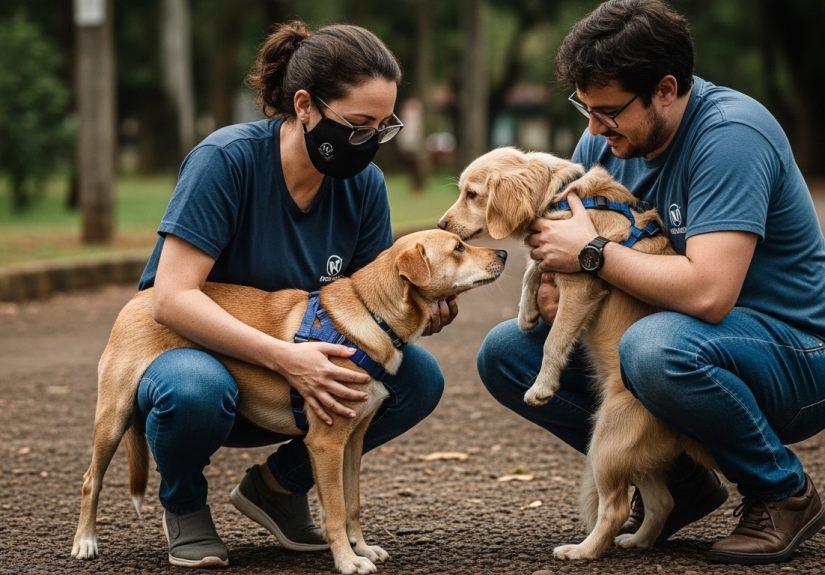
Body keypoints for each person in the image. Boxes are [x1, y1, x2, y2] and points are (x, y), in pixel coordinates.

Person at [477, 0, 825, 565]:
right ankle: (680, 486)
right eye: (585, 108)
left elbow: (708, 295)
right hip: (682, 338)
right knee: (507, 352)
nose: (592, 128)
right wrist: (552, 283)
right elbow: (566, 266)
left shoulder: (731, 136)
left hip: (792, 352)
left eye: (609, 110)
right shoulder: (602, 146)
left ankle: (782, 492)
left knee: (653, 347)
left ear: (666, 89)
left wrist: (590, 253)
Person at [135, 21, 456, 568]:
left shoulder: (364, 186)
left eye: (384, 127)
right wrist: (286, 357)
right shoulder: (226, 162)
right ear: (304, 105)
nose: (371, 143)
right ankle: (184, 501)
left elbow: (367, 304)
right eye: (358, 125)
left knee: (415, 378)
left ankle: (279, 488)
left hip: (297, 386)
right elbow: (171, 299)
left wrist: (422, 304)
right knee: (192, 388)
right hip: (195, 359)